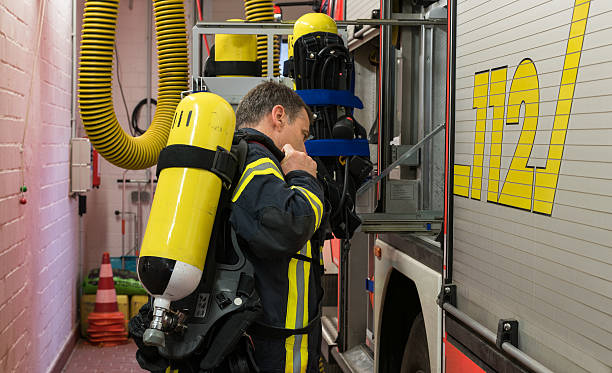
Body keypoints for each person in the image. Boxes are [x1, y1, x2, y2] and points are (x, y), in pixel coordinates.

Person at [231, 81, 326, 373]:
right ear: (279, 116)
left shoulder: (240, 158)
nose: (304, 146)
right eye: (303, 134)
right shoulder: (258, 162)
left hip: (262, 337)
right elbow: (289, 226)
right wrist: (303, 175)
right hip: (271, 349)